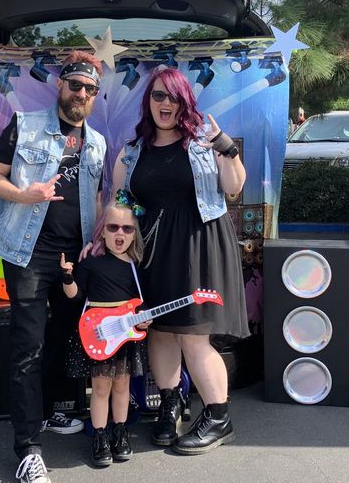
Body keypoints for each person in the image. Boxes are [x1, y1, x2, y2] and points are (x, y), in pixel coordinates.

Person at [0, 50, 106, 483]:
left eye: (91, 89)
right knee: (28, 348)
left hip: (73, 259)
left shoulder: (98, 142)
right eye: (76, 85)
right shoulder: (24, 124)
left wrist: (98, 241)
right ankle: (27, 447)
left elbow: (96, 198)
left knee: (61, 339)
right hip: (27, 253)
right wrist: (25, 194)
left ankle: (51, 410)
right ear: (60, 84)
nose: (82, 94)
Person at [111, 67, 249, 455]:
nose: (164, 103)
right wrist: (109, 239)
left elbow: (234, 187)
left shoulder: (203, 143)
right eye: (157, 96)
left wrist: (227, 148)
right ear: (148, 102)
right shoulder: (133, 149)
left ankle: (219, 417)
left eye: (172, 97)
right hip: (153, 250)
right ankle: (171, 405)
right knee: (161, 331)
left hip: (199, 245)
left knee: (193, 334)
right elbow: (121, 200)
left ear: (184, 101)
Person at [60, 191, 149, 467]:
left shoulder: (136, 267)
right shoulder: (91, 262)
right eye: (113, 227)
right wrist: (67, 277)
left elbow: (140, 305)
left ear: (134, 234)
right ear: (102, 232)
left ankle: (120, 433)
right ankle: (99, 436)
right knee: (100, 388)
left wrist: (144, 319)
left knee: (122, 386)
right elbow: (75, 296)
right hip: (99, 335)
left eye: (127, 228)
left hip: (125, 337)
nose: (119, 234)